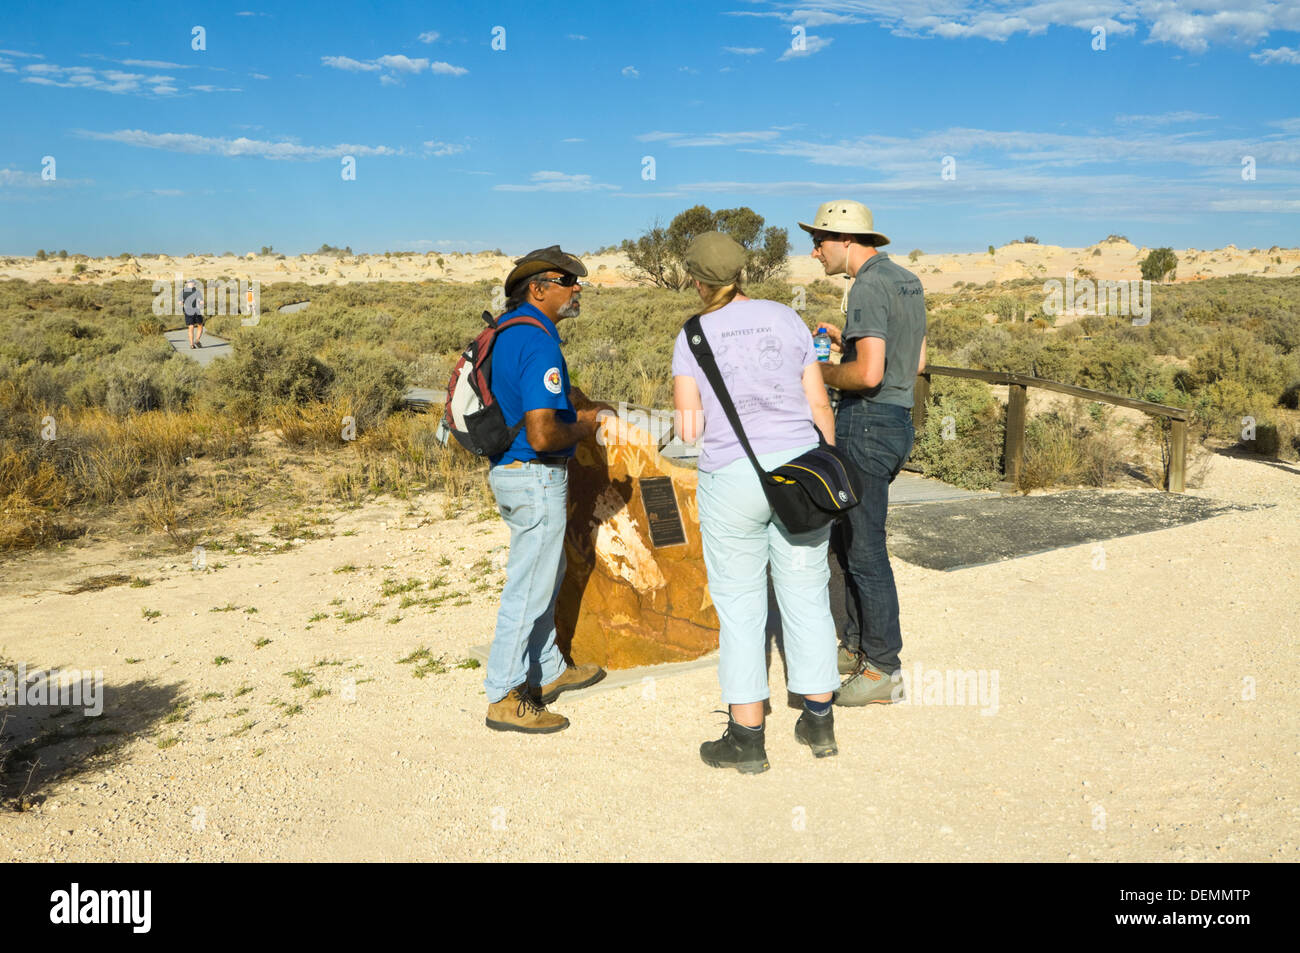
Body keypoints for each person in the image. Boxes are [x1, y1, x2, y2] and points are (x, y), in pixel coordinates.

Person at [672, 232, 840, 773]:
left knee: (741, 606)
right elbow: (818, 401)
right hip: (798, 468)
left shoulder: (692, 335)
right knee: (806, 590)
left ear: (697, 280)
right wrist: (826, 464)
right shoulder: (787, 319)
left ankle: (746, 737)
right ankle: (819, 721)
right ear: (742, 272)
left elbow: (689, 427)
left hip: (733, 478)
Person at [799, 200, 927, 705]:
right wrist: (847, 345)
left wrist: (821, 373)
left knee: (865, 550)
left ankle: (883, 669)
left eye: (820, 241)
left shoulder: (868, 286)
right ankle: (854, 648)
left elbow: (869, 376)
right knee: (851, 538)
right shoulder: (906, 280)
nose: (815, 252)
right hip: (897, 422)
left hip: (867, 424)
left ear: (846, 240)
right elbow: (915, 362)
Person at [483, 245, 611, 734]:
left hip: (517, 473)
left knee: (546, 574)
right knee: (529, 587)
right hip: (534, 473)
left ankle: (549, 668)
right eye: (567, 280)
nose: (577, 288)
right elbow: (542, 433)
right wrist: (589, 428)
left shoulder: (511, 333)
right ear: (537, 289)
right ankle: (504, 693)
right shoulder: (537, 343)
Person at [183, 279, 204, 348]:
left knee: (191, 326)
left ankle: (192, 344)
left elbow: (180, 302)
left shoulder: (183, 292)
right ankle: (197, 340)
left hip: (188, 310)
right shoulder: (197, 292)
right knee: (200, 325)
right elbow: (201, 302)